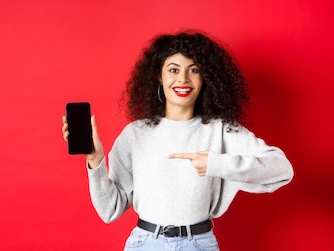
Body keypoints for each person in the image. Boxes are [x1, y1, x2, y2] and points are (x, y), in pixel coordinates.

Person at [61, 31, 293, 251]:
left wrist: (215, 164)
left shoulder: (220, 131)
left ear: (205, 79)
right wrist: (95, 159)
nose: (183, 79)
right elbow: (109, 210)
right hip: (145, 243)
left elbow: (281, 169)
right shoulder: (135, 134)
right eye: (173, 70)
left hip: (199, 243)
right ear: (159, 77)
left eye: (193, 70)